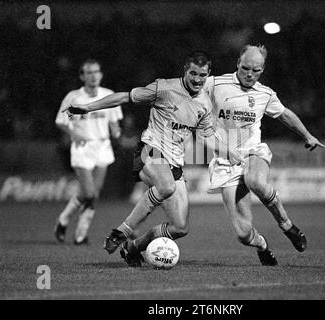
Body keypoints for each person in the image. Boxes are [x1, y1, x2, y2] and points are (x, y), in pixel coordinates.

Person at [63, 51, 242, 266]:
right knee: (166, 186)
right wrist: (88, 108)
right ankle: (122, 232)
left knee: (180, 228)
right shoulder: (164, 88)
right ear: (185, 71)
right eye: (193, 73)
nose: (197, 79)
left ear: (208, 74)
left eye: (202, 75)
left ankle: (133, 247)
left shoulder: (205, 103)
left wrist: (228, 151)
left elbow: (207, 136)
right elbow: (125, 96)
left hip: (175, 163)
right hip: (150, 150)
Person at [203, 44, 325, 265]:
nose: (250, 74)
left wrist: (307, 136)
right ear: (237, 64)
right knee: (242, 233)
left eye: (256, 70)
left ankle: (287, 224)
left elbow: (284, 115)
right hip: (225, 161)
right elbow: (188, 95)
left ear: (263, 69)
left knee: (255, 181)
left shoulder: (265, 93)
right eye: (246, 68)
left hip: (252, 151)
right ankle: (262, 244)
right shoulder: (214, 84)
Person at [54, 59, 123, 245]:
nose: (93, 75)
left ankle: (78, 234)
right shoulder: (74, 97)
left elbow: (114, 120)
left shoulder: (108, 95)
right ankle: (65, 221)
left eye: (96, 71)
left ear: (101, 74)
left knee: (92, 195)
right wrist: (72, 132)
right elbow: (61, 121)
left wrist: (116, 130)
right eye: (89, 72)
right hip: (82, 148)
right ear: (82, 76)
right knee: (89, 192)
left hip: (103, 147)